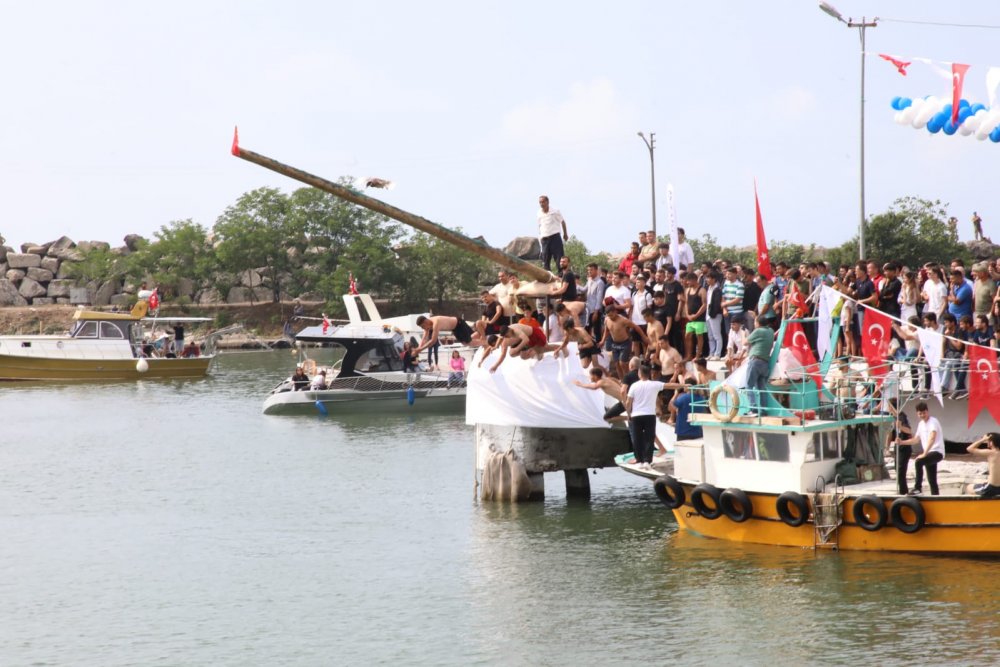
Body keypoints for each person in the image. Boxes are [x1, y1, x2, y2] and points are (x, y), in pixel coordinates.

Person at [895, 402, 945, 496]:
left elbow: (932, 438)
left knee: (918, 461)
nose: (922, 415)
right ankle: (936, 497)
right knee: (932, 479)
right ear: (917, 414)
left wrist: (924, 453)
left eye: (924, 413)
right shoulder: (921, 424)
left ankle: (918, 488)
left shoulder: (933, 421)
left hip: (937, 451)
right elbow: (916, 440)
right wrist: (902, 442)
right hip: (929, 453)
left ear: (927, 411)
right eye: (920, 413)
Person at [625, 363, 669, 470]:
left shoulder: (634, 386)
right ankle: (647, 461)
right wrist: (684, 385)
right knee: (649, 438)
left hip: (636, 415)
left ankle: (639, 460)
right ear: (649, 374)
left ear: (639, 374)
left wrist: (628, 413)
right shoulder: (654, 384)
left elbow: (628, 402)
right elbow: (670, 385)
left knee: (637, 438)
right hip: (649, 415)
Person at [599, 305, 649, 379]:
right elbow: (607, 331)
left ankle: (628, 378)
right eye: (609, 316)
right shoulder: (607, 320)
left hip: (625, 343)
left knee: (622, 363)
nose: (611, 317)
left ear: (615, 312)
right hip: (615, 343)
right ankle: (622, 380)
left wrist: (644, 336)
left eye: (612, 315)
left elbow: (636, 327)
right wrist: (602, 341)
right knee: (616, 364)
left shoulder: (623, 320)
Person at [744, 317, 776, 416]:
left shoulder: (758, 331)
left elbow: (745, 342)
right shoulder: (770, 331)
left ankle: (753, 409)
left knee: (748, 385)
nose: (754, 324)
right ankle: (763, 410)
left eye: (755, 322)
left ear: (758, 323)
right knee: (762, 388)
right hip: (765, 363)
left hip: (755, 361)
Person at [885, 398, 914, 495]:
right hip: (897, 447)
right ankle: (902, 490)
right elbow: (890, 433)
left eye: (889, 406)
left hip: (904, 447)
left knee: (901, 471)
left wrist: (900, 427)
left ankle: (903, 492)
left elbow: (909, 430)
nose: (887, 408)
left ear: (892, 407)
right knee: (897, 469)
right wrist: (887, 448)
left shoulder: (901, 416)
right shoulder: (892, 417)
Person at [537, 194, 568, 272]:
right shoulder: (539, 213)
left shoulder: (555, 211)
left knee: (559, 258)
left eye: (543, 202)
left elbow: (563, 222)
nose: (541, 204)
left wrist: (565, 234)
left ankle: (561, 275)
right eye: (540, 202)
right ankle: (547, 277)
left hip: (555, 237)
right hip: (544, 239)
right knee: (545, 259)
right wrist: (540, 238)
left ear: (547, 202)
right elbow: (539, 226)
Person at [964, 433, 1000, 497]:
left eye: (988, 441)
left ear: (992, 442)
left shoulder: (991, 453)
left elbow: (969, 449)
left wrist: (983, 439)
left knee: (969, 487)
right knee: (985, 482)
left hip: (992, 488)